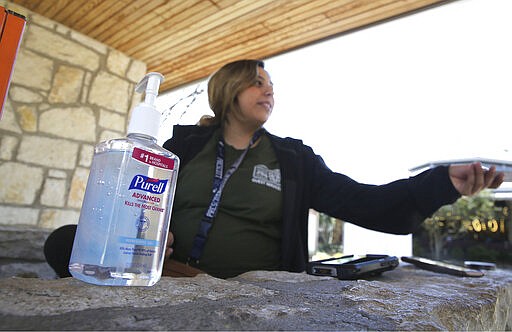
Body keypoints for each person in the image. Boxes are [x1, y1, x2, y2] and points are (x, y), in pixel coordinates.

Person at [44, 59, 504, 279]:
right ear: (229, 90)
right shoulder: (181, 147)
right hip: (172, 277)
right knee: (63, 242)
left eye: (272, 86)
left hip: (257, 296)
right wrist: (148, 233)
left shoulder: (293, 159)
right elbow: (135, 206)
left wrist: (442, 183)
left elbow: (373, 206)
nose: (269, 91)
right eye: (258, 82)